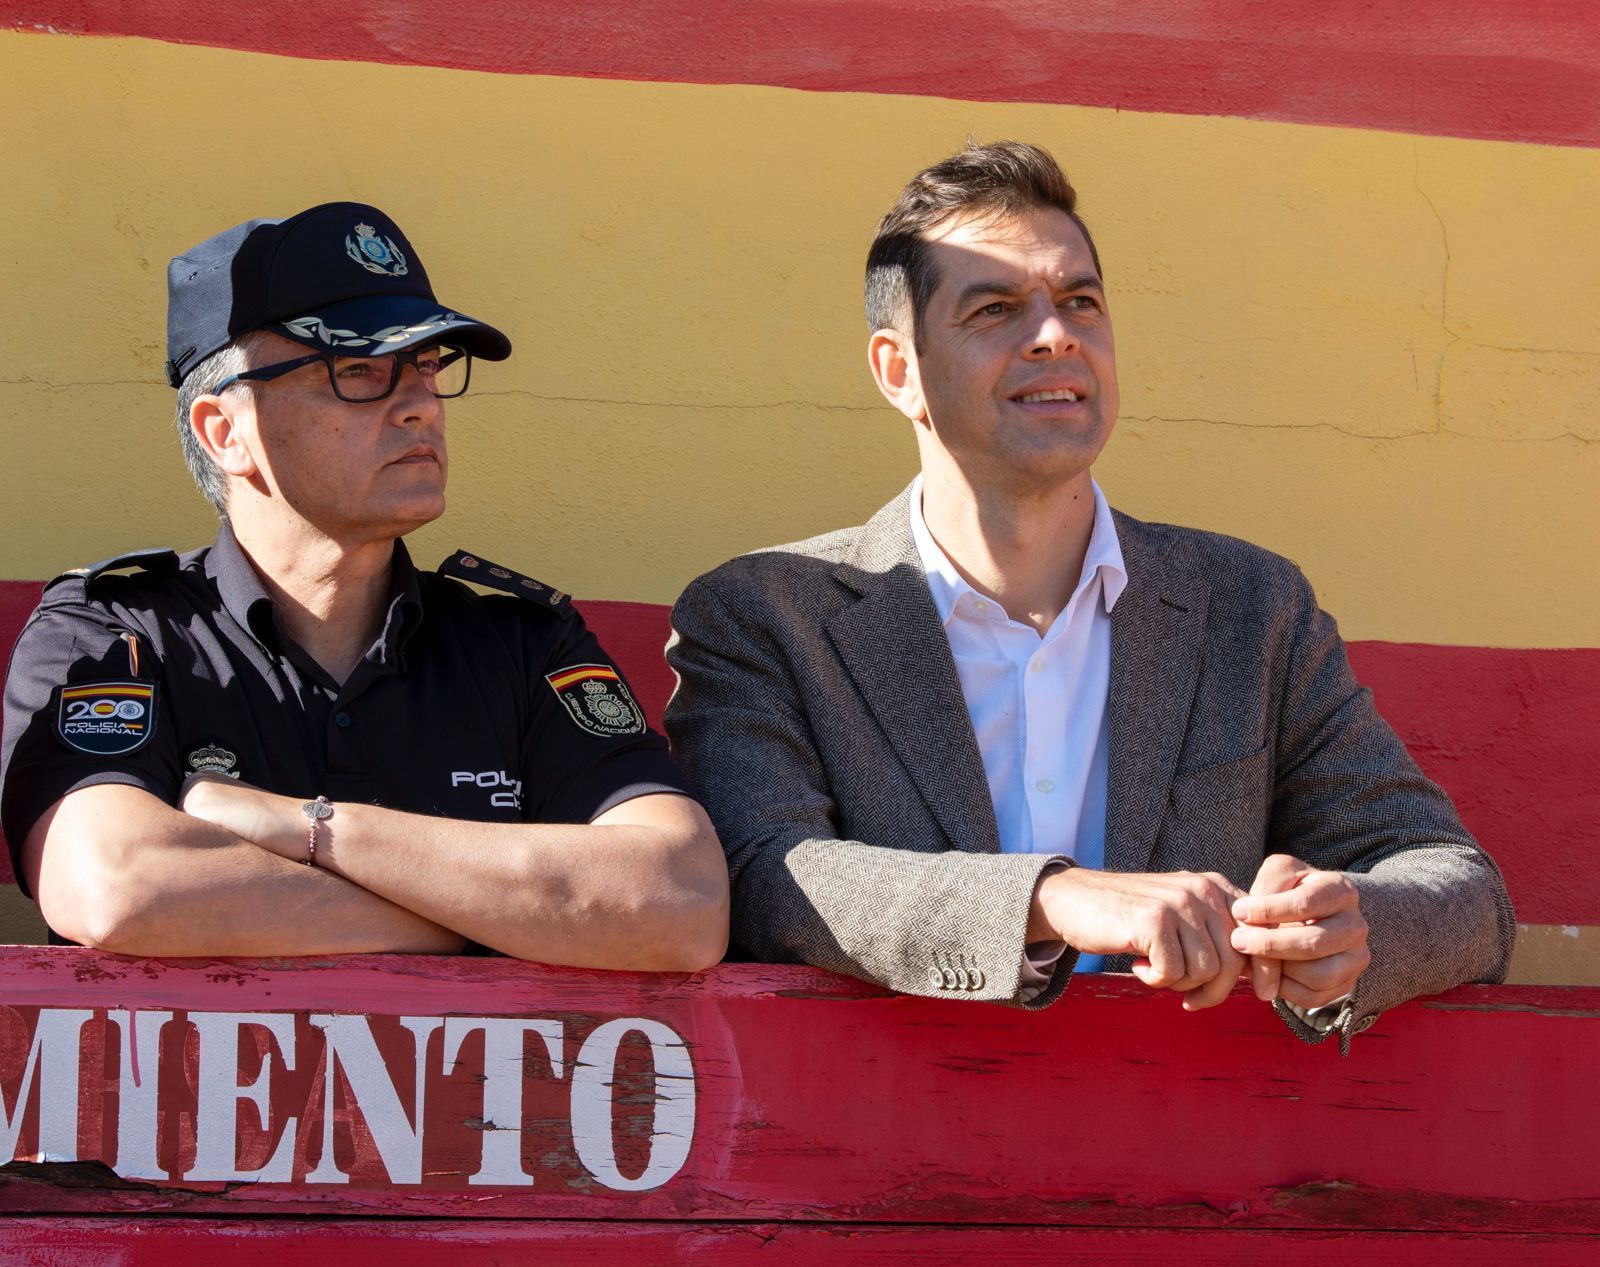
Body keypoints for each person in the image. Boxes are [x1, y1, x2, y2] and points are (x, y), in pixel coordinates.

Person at [664, 141, 1513, 1048]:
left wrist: (1352, 926)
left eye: (1080, 302)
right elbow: (766, 878)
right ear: (898, 370)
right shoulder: (765, 612)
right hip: (877, 1164)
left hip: (1194, 1159)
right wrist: (1052, 898)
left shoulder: (1251, 608)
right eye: (995, 308)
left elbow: (1463, 888)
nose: (1055, 333)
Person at [0, 201, 727, 969]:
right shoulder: (116, 632)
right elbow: (116, 883)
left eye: (427, 368)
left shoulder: (522, 647)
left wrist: (308, 828)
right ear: (227, 432)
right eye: (358, 371)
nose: (420, 405)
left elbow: (683, 900)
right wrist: (473, 915)